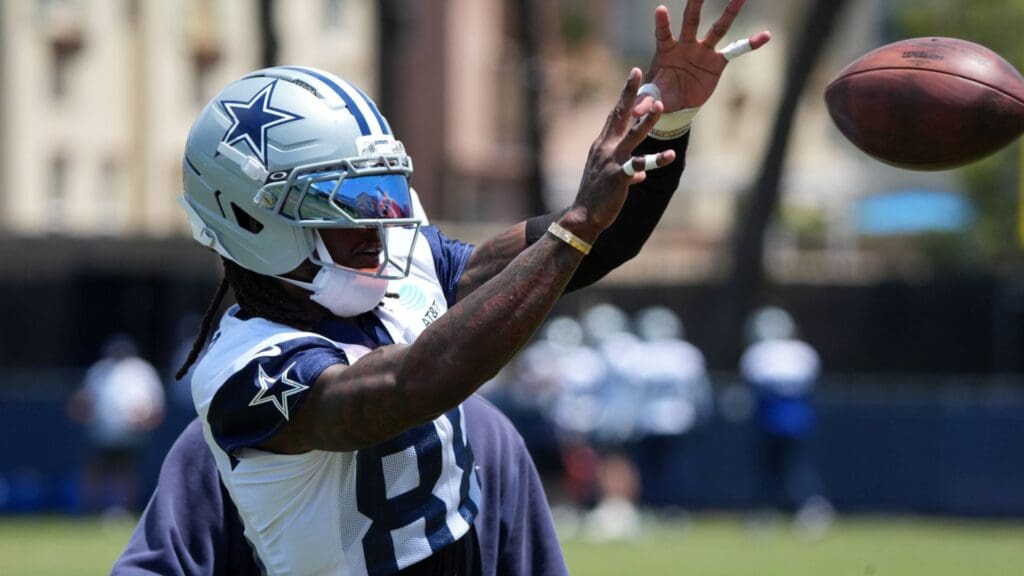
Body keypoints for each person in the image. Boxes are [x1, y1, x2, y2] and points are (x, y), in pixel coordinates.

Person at [123, 2, 770, 574]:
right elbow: (411, 386)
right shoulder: (241, 369)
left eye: (380, 189)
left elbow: (594, 247)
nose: (377, 220)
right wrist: (575, 225)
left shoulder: (404, 261)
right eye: (342, 200)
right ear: (250, 217)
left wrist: (667, 127)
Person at [740, 306, 833, 536]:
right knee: (795, 467)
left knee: (775, 468)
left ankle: (772, 512)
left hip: (770, 420)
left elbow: (754, 391)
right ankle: (806, 509)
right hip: (800, 420)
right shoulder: (803, 352)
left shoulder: (758, 354)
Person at [67, 334, 165, 514]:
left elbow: (155, 406)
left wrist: (145, 420)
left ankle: (123, 510)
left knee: (126, 472)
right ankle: (88, 510)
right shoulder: (99, 370)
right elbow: (84, 400)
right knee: (95, 470)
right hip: (102, 432)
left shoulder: (142, 371)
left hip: (130, 432)